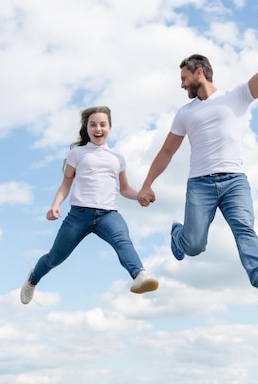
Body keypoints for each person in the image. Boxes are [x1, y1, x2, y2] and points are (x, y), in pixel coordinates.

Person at [138, 11, 258, 308]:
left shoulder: (237, 95)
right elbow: (166, 152)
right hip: (200, 184)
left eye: (184, 78)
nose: (182, 85)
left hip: (234, 180)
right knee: (195, 245)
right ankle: (178, 235)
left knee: (244, 229)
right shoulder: (185, 114)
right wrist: (146, 184)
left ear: (199, 72)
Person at [20, 106, 158, 304]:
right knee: (54, 258)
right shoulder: (77, 153)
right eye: (93, 125)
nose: (98, 129)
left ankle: (140, 275)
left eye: (102, 124)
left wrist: (138, 196)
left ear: (110, 127)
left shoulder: (117, 157)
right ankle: (33, 279)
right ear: (87, 129)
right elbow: (66, 183)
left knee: (123, 242)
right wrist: (55, 205)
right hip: (79, 215)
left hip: (108, 214)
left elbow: (124, 188)